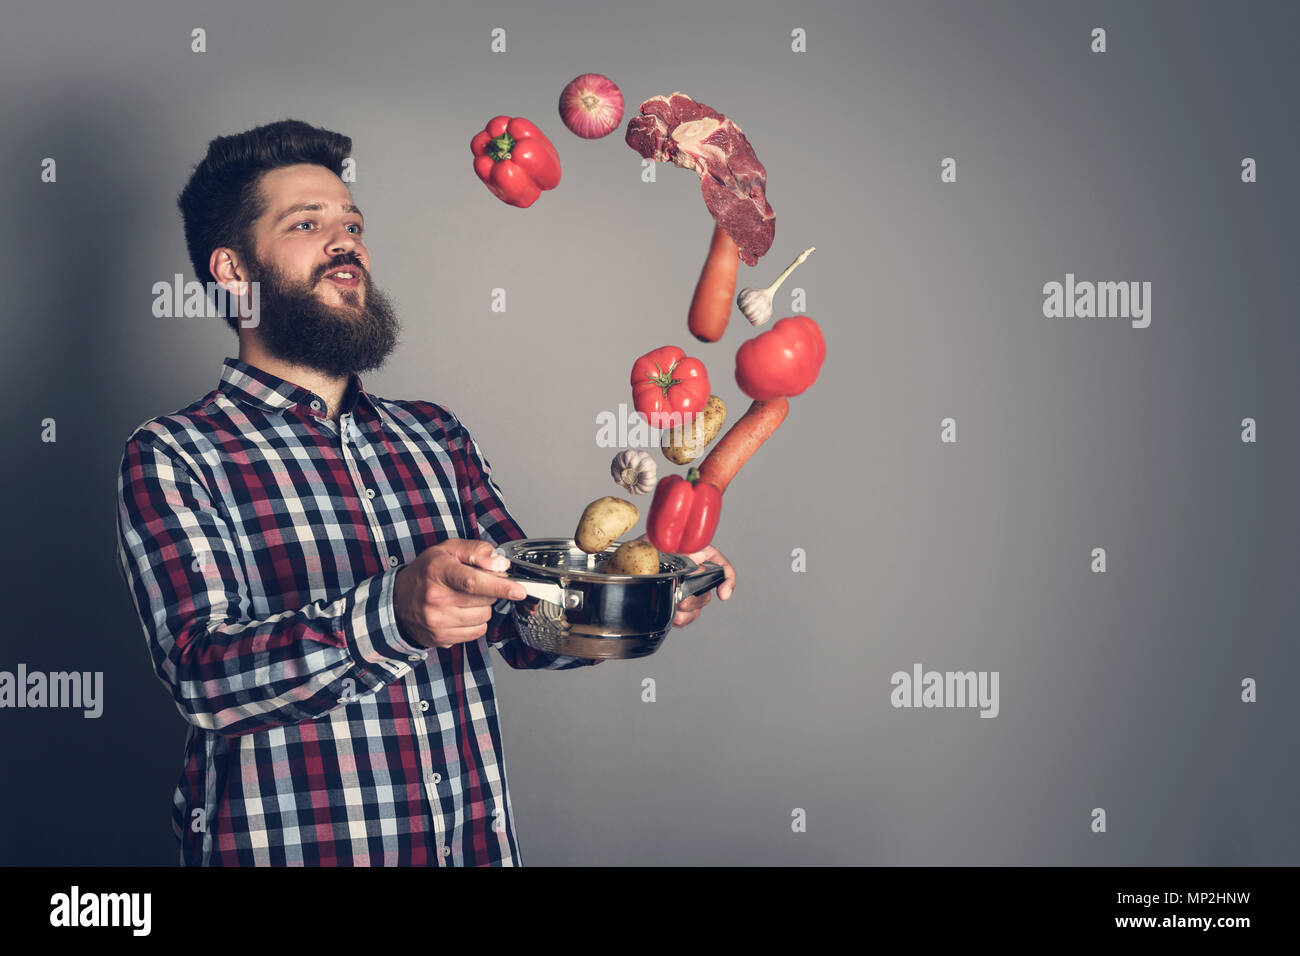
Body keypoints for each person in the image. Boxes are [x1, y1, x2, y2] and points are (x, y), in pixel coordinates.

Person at [115, 119, 736, 866]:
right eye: (307, 224)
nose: (346, 241)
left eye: (352, 223)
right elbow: (203, 677)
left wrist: (648, 589)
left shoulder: (433, 434)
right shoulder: (175, 454)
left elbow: (526, 623)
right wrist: (396, 613)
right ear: (232, 269)